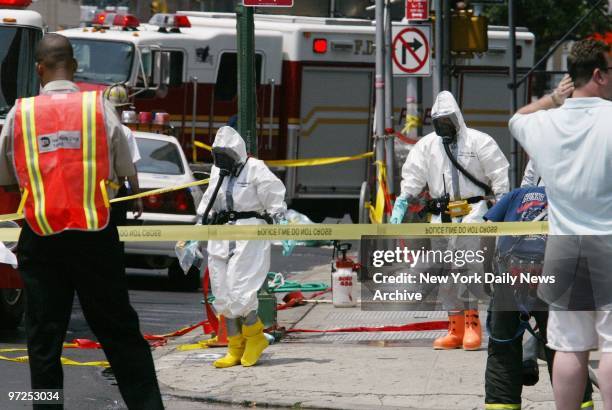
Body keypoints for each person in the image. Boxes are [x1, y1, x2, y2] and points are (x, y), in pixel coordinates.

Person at [0, 34, 164, 409]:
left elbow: (6, 176)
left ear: (39, 69)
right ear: (73, 67)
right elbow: (124, 168)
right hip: (95, 235)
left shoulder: (20, 112)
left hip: (41, 237)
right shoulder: (98, 107)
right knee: (119, 331)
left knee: (44, 339)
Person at [509, 39, 612, 410]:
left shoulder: (546, 123)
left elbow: (517, 117)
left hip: (565, 245)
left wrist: (553, 99)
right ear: (599, 74)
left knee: (568, 345)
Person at [390, 90, 509, 350]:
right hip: (441, 217)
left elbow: (499, 175)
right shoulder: (428, 145)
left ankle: (472, 327)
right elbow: (413, 174)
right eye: (439, 122)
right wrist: (403, 200)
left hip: (473, 214)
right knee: (445, 275)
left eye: (448, 121)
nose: (444, 127)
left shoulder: (479, 142)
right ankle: (454, 328)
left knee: (468, 271)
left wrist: (503, 207)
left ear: (457, 118)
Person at [483, 186, 594, 410]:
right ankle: (580, 404)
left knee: (503, 348)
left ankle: (502, 405)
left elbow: (486, 231)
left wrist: (488, 272)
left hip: (510, 274)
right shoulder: (570, 197)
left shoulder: (516, 195)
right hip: (554, 275)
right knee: (565, 347)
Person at [197, 125, 287, 368]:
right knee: (222, 292)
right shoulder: (219, 171)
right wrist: (194, 234)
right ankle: (235, 347)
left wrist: (283, 227)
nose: (222, 161)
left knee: (241, 290)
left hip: (250, 234)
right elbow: (208, 202)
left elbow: (275, 199)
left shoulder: (255, 168)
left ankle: (255, 338)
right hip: (221, 233)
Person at [102, 84, 143, 227]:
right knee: (114, 242)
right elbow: (130, 169)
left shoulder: (92, 127)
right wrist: (137, 197)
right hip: (116, 194)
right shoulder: (124, 132)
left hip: (92, 195)